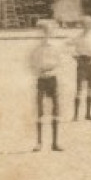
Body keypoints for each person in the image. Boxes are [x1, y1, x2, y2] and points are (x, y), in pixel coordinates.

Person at [28, 20, 66, 151]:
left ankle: (55, 143)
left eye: (48, 32)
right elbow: (31, 64)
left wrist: (52, 71)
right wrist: (38, 73)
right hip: (41, 79)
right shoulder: (36, 49)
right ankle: (39, 142)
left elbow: (61, 64)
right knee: (40, 110)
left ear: (52, 33)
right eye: (43, 32)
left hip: (53, 79)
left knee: (55, 109)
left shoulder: (56, 47)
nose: (45, 35)